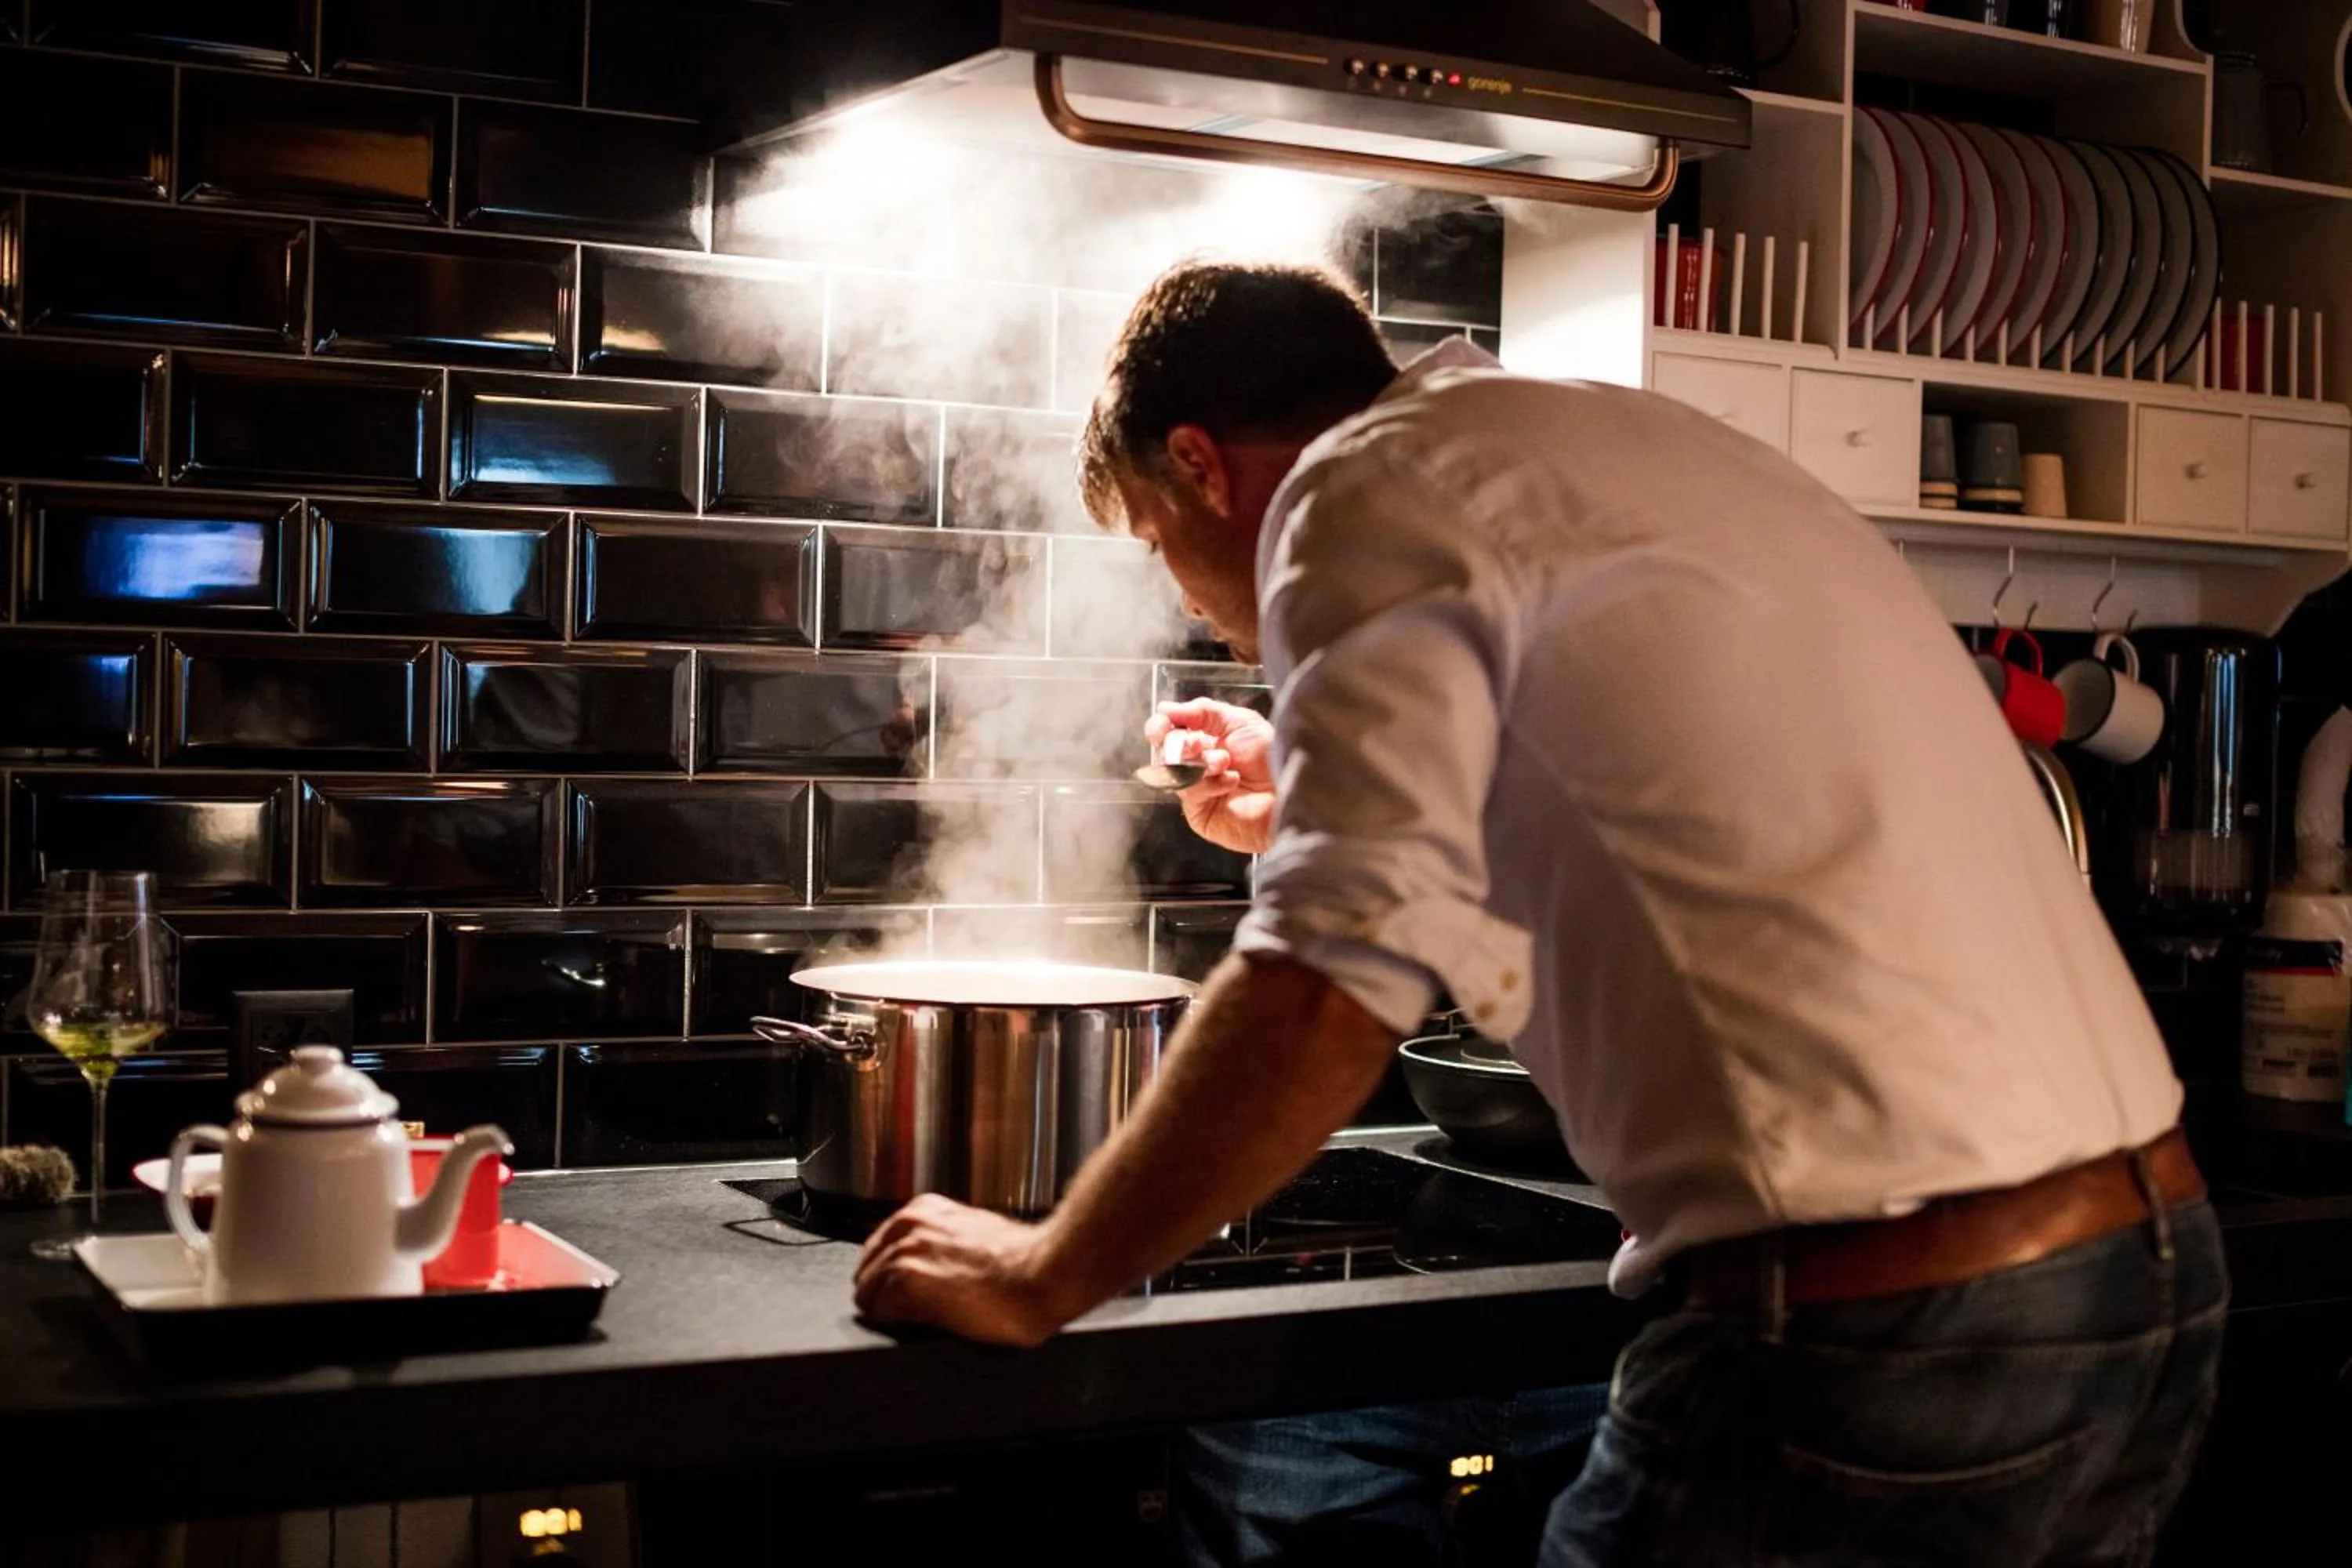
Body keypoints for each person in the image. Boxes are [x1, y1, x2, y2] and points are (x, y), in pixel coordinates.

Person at [852, 260, 2227, 1565]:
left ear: (1204, 465)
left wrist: (1044, 1270)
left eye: (1160, 540)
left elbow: (1324, 991)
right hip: (2143, 1274)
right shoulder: (1612, 441)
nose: (1201, 608)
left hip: (1887, 1324)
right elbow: (1654, 817)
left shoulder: (1355, 488)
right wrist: (1308, 811)